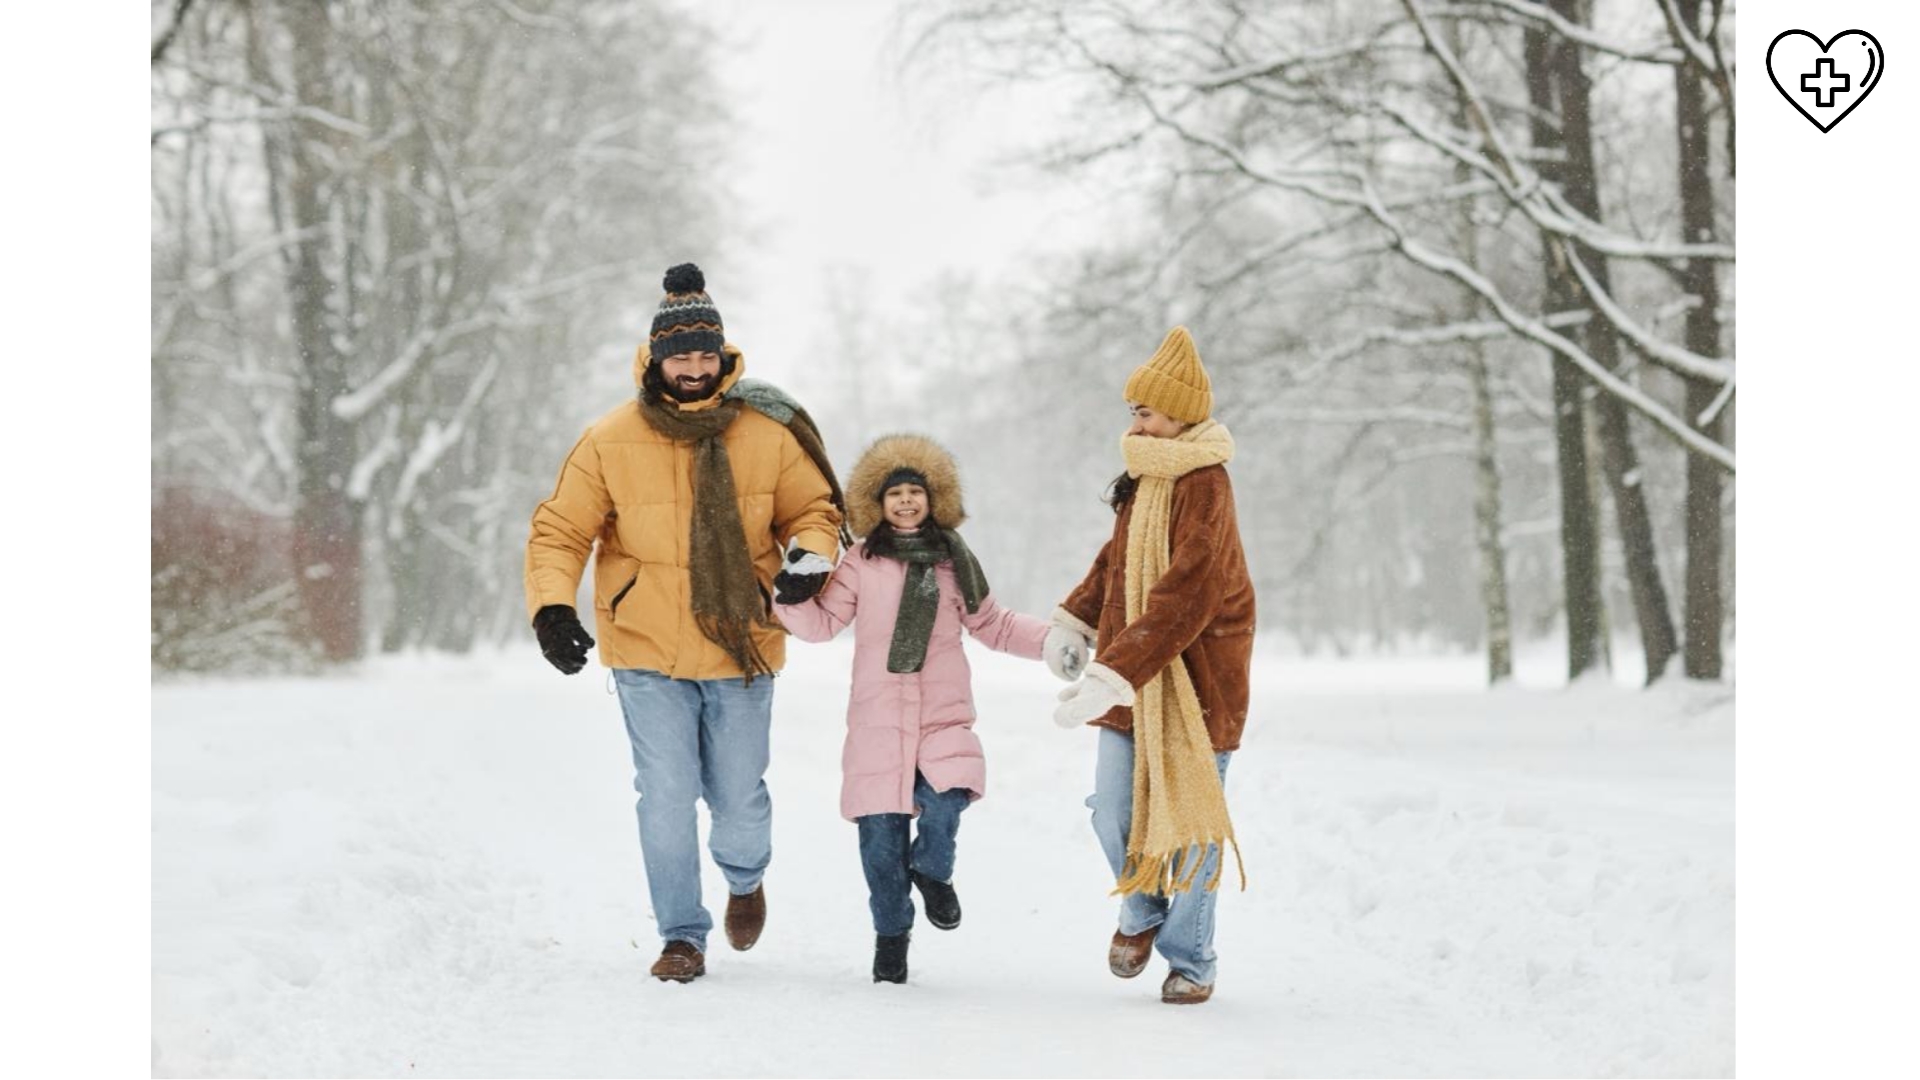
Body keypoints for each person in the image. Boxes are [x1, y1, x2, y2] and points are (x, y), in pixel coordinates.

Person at [524, 263, 849, 983]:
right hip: (645, 649)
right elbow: (559, 532)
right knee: (665, 794)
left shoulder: (766, 431)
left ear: (723, 355)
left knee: (738, 801)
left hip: (742, 644)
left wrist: (810, 558)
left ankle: (744, 875)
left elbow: (816, 511)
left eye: (706, 354)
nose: (694, 368)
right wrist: (552, 605)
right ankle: (681, 934)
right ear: (657, 357)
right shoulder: (609, 439)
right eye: (682, 355)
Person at [775, 434, 1050, 983]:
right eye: (894, 493)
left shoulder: (953, 561)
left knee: (949, 797)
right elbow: (823, 623)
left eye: (914, 493)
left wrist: (1052, 641)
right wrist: (791, 594)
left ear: (933, 499)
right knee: (880, 846)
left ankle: (933, 870)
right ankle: (892, 938)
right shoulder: (861, 561)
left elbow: (991, 623)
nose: (905, 501)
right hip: (878, 722)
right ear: (876, 504)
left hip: (943, 714)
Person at [1046, 325, 1255, 1005]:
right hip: (1132, 669)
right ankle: (1140, 909)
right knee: (1112, 810)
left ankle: (1191, 959)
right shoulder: (1142, 480)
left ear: (1183, 414)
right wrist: (1075, 617)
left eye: (1150, 408)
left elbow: (1188, 594)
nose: (1137, 418)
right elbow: (1115, 564)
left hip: (1198, 681)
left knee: (1191, 822)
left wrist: (1115, 670)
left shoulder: (1205, 483)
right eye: (1133, 407)